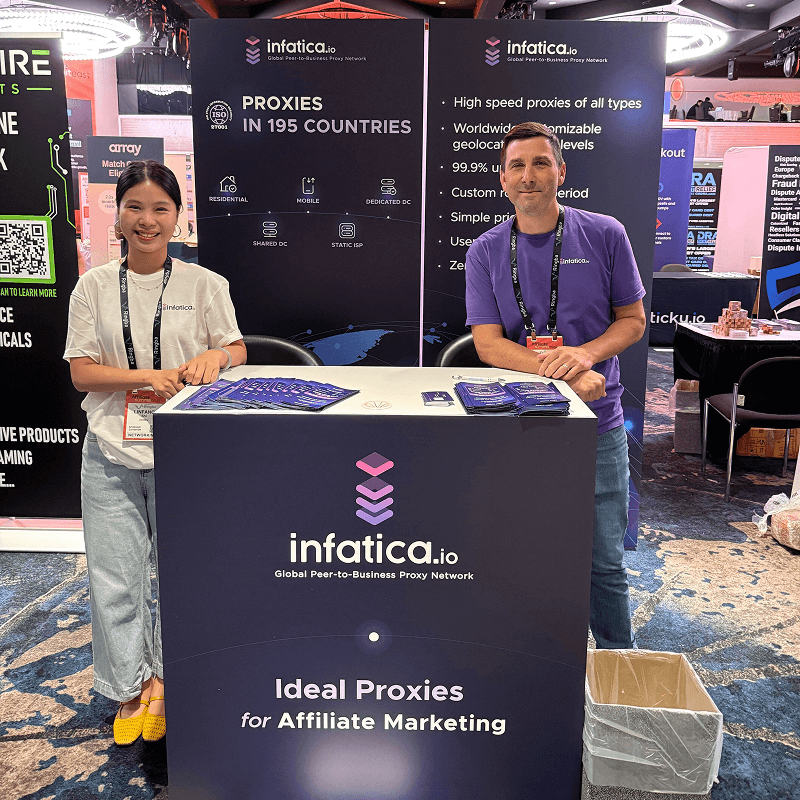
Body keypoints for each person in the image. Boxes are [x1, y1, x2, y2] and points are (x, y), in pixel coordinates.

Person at [64, 160, 246, 745]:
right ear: (117, 215)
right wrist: (149, 376)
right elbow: (82, 371)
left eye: (160, 209)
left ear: (177, 217)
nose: (147, 220)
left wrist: (218, 356)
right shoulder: (92, 286)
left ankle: (166, 678)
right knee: (114, 578)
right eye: (135, 207)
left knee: (179, 574)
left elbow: (237, 348)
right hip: (109, 451)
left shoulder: (205, 284)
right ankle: (127, 686)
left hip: (185, 454)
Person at [465, 122, 646, 649]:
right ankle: (527, 663)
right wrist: (565, 371)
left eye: (540, 163)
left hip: (598, 426)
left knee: (603, 561)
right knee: (519, 554)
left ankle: (617, 667)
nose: (529, 176)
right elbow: (488, 345)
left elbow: (633, 321)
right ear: (503, 180)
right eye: (517, 166)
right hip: (520, 425)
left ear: (561, 172)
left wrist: (585, 355)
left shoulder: (605, 234)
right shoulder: (485, 250)